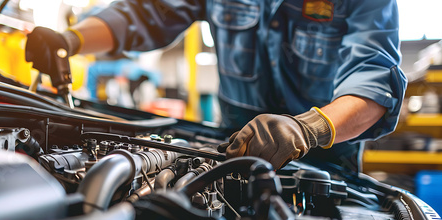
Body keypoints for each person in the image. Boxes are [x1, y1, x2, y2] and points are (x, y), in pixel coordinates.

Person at [26, 0, 406, 173]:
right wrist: (70, 41)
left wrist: (308, 128)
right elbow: (147, 14)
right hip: (233, 146)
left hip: (324, 158)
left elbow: (374, 82)